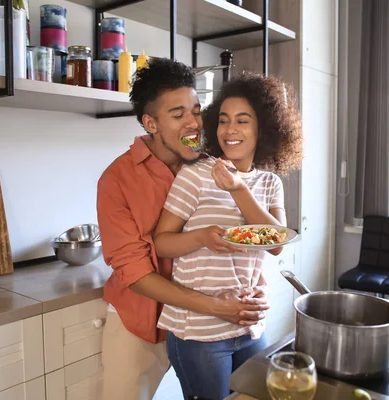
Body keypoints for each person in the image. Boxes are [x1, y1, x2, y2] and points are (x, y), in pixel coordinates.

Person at [96, 59, 270, 400]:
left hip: (210, 329)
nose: (194, 123)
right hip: (140, 326)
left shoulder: (215, 167)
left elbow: (246, 241)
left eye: (196, 110)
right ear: (151, 123)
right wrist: (213, 306)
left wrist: (258, 287)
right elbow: (134, 271)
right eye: (178, 115)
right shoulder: (116, 180)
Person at [153, 73, 303, 400]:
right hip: (200, 332)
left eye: (242, 121)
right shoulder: (195, 175)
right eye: (223, 120)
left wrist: (238, 189)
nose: (230, 130)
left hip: (248, 327)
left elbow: (276, 244)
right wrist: (202, 237)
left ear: (263, 128)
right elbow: (161, 242)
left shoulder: (268, 184)